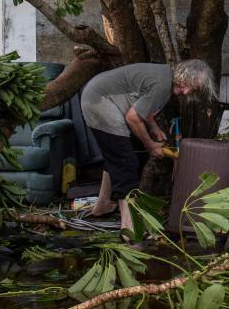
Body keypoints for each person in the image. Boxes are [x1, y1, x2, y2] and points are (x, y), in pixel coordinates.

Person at [83, 59, 216, 234]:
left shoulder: (165, 81)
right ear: (182, 74)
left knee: (116, 155)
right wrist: (151, 145)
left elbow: (144, 111)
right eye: (187, 84)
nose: (186, 91)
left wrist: (155, 129)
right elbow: (132, 117)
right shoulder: (162, 85)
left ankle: (103, 205)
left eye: (193, 89)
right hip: (100, 101)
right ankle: (130, 230)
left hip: (97, 96)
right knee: (126, 163)